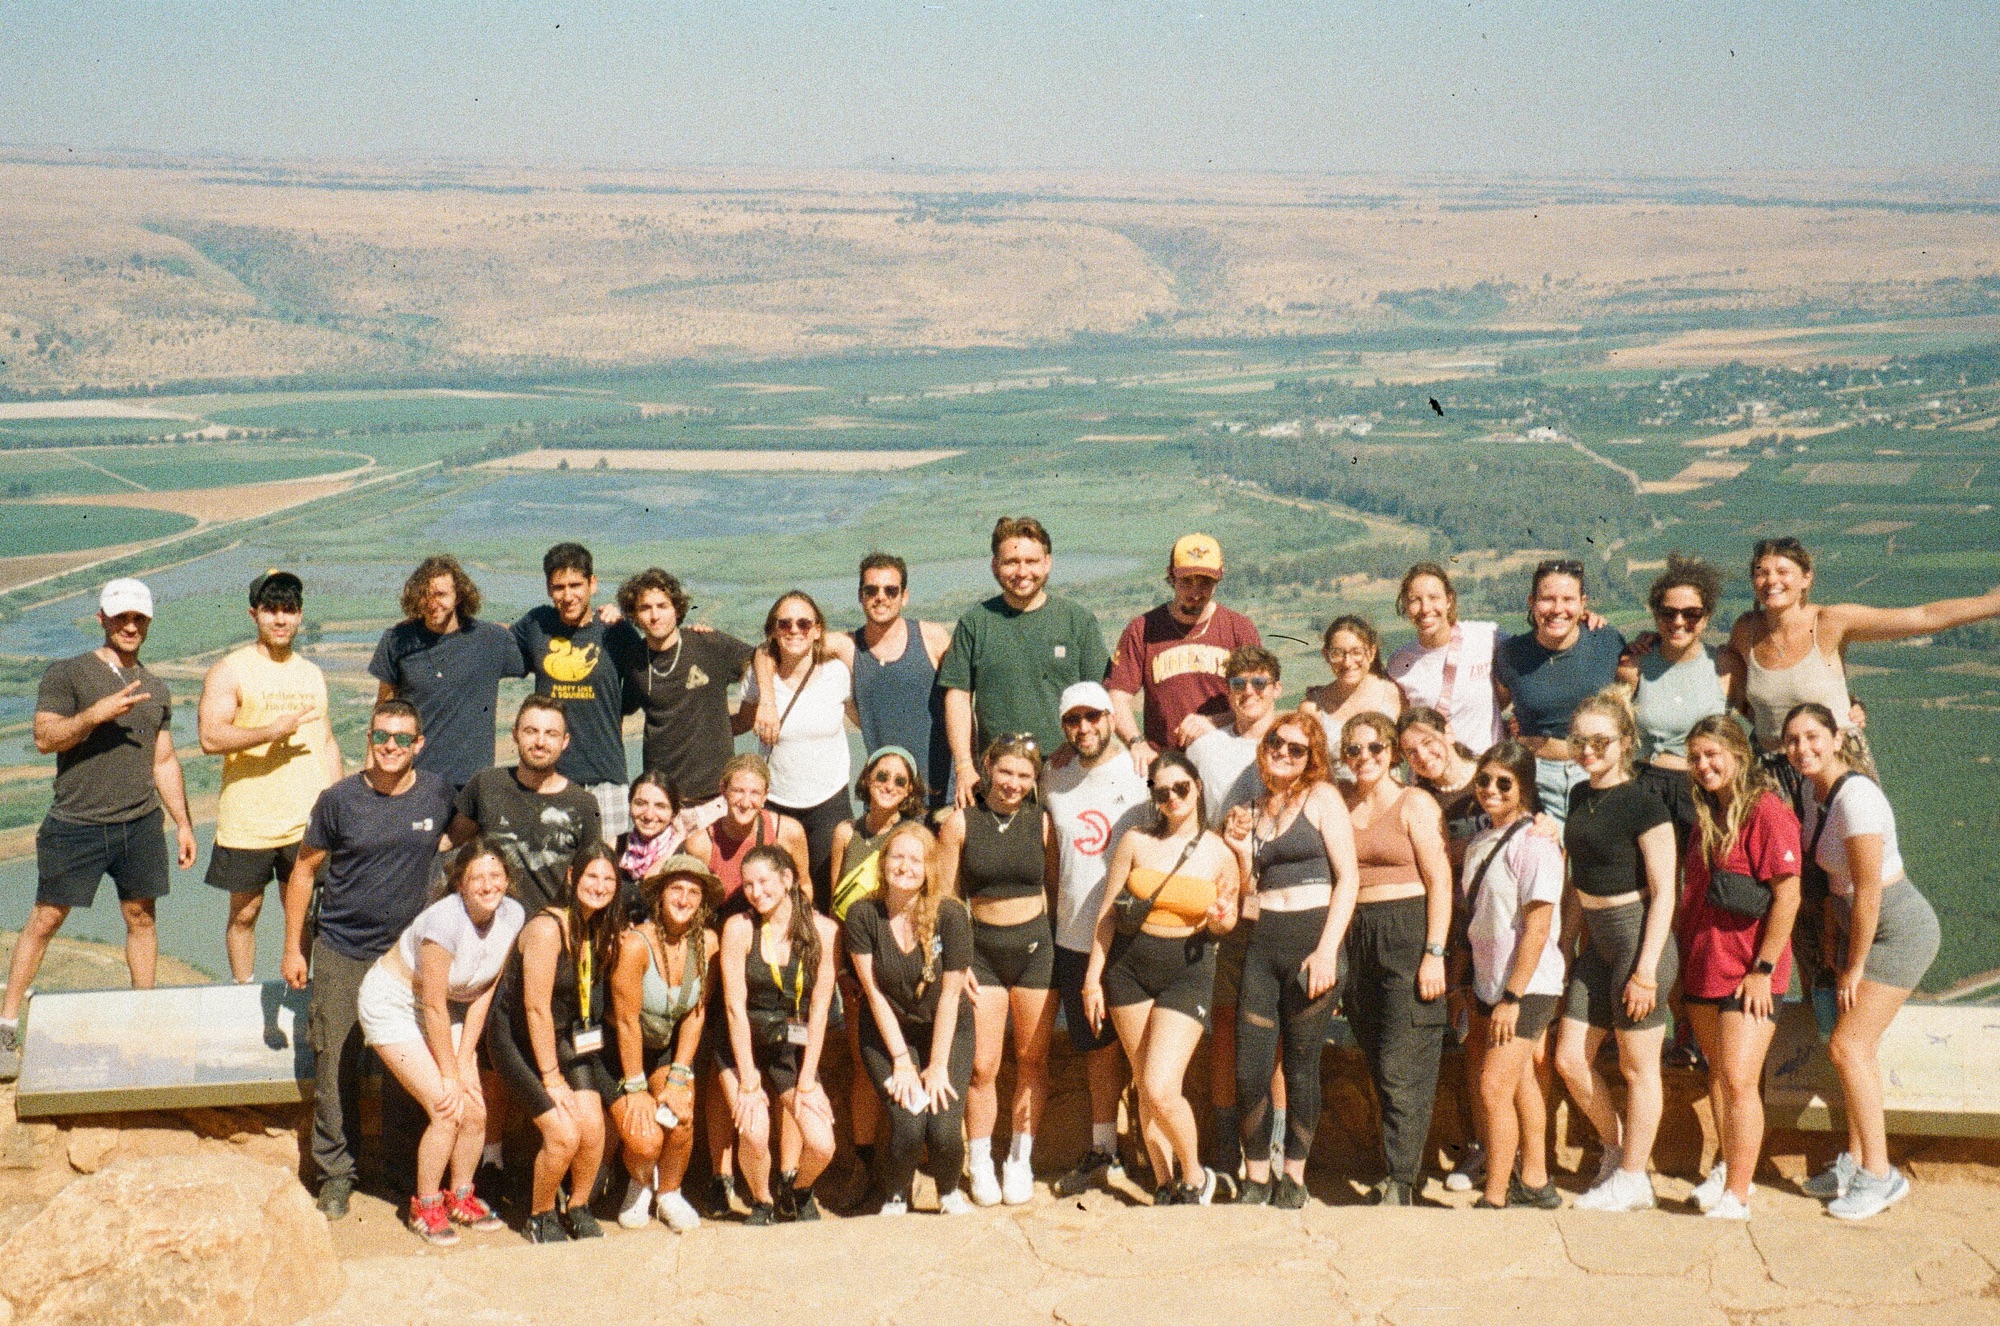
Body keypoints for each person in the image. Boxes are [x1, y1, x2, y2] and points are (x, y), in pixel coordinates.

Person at [4, 577, 197, 1075]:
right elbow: (45, 738)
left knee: (142, 919)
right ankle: (5, 1025)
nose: (130, 626)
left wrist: (183, 823)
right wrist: (95, 713)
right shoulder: (67, 673)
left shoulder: (156, 687)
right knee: (46, 919)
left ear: (148, 623)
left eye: (139, 619)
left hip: (139, 822)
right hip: (77, 822)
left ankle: (143, 1022)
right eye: (121, 618)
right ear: (102, 619)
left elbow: (164, 759)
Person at [281, 699, 456, 1219]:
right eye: (381, 735)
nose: (390, 746)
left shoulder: (437, 793)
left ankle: (404, 1171)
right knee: (334, 1063)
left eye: (402, 738)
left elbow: (464, 841)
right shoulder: (338, 801)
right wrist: (294, 946)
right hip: (342, 949)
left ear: (418, 744)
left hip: (406, 958)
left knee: (407, 1065)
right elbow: (303, 872)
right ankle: (337, 1174)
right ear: (369, 738)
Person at [1786, 702, 1940, 1221]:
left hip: (1899, 932)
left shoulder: (1858, 799)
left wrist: (1853, 967)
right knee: (1854, 1049)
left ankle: (1880, 1175)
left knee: (1848, 1046)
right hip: (1856, 931)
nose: (1802, 748)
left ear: (1836, 738)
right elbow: (1837, 884)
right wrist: (1836, 945)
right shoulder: (1814, 794)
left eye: (1813, 736)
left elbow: (1869, 891)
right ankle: (1855, 1162)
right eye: (1793, 740)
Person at [1082, 751, 1240, 1205]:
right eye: (1162, 791)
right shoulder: (1134, 841)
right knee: (1143, 1083)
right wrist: (1092, 978)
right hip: (1129, 970)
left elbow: (1225, 922)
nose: (1172, 798)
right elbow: (1108, 913)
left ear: (1198, 788)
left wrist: (1221, 921)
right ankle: (1164, 1182)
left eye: (1181, 788)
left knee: (1161, 1085)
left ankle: (1196, 1176)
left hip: (1187, 969)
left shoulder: (1220, 852)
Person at [1219, 710, 1360, 1208]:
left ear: (1311, 757)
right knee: (1250, 1071)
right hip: (1264, 944)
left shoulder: (1323, 798)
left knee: (1300, 1067)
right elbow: (1250, 892)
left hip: (1312, 942)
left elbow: (1348, 879)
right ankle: (1257, 1174)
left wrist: (1327, 951)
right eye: (1277, 743)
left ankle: (1293, 1177)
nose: (1283, 752)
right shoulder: (1253, 808)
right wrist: (1240, 851)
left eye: (1297, 749)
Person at [356, 837, 524, 1244]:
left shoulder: (513, 915)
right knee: (446, 1108)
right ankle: (426, 1205)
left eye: (496, 875)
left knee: (475, 1109)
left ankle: (461, 1195)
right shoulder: (443, 923)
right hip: (395, 1004)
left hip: (446, 1006)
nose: (488, 885)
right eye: (477, 877)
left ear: (507, 880)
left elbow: (484, 990)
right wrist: (450, 1075)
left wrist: (465, 1060)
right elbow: (432, 1005)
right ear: (460, 884)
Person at [1552, 688, 1678, 1213]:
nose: (1588, 751)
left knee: (1637, 1067)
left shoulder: (1645, 803)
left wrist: (1645, 971)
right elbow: (1578, 880)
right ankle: (1618, 1151)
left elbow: (1665, 891)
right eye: (1579, 741)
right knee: (1570, 1058)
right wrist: (1564, 943)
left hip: (1637, 939)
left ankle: (1633, 1178)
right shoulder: (1580, 795)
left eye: (1600, 741)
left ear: (1625, 742)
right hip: (1595, 942)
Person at [1731, 536, 2000, 768]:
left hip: (1835, 765)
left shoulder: (1830, 622)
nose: (1771, 580)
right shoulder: (1746, 631)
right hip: (1770, 770)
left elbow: (1923, 616)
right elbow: (1735, 694)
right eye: (1761, 572)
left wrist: (1992, 604)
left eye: (1782, 571)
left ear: (1806, 577)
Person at [1679, 714, 1802, 1221]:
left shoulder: (1765, 811)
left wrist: (1763, 968)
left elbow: (1788, 895)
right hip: (1705, 964)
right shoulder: (1706, 814)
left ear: (1737, 755)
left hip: (1750, 970)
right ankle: (1729, 1169)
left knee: (1737, 1080)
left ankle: (1738, 1195)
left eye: (1712, 754)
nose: (1703, 765)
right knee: (1719, 1076)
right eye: (1695, 757)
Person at [199, 570, 342, 982]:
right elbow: (210, 736)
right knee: (245, 913)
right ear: (254, 614)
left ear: (300, 615)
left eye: (289, 610)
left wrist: (339, 806)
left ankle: (302, 988)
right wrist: (269, 732)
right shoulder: (230, 670)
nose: (281, 619)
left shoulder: (311, 673)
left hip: (306, 819)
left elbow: (326, 742)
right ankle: (243, 989)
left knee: (305, 912)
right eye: (271, 610)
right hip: (249, 820)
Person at [937, 734, 1061, 1206]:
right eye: (1006, 771)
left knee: (1032, 1060)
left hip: (1035, 952)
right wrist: (957, 959)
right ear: (988, 767)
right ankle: (981, 1160)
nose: (1013, 783)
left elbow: (1054, 888)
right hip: (982, 955)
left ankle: (1020, 1158)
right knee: (982, 1067)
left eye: (1024, 775)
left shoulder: (1042, 822)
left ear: (1035, 780)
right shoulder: (960, 823)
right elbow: (947, 899)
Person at [1337, 712, 1454, 1205]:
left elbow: (1440, 881)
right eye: (1353, 749)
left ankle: (1402, 1181)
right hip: (1356, 935)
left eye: (1375, 748)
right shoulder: (1341, 801)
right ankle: (1395, 1169)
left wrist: (1434, 953)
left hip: (1407, 931)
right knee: (1376, 1054)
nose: (1364, 757)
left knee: (1400, 1063)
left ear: (1390, 753)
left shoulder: (1414, 803)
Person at [1183, 646, 1285, 1193]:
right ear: (1227, 690)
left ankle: (1275, 1150)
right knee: (1224, 1022)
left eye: (1259, 683)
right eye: (1239, 683)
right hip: (1226, 900)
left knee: (1274, 1030)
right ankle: (1226, 1147)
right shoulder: (1205, 747)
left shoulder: (1294, 739)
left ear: (1277, 688)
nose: (1249, 693)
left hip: (1283, 901)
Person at [484, 843, 622, 1243]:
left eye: (608, 879)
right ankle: (540, 1214)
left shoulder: (597, 928)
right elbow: (535, 1009)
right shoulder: (548, 928)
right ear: (572, 877)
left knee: (593, 1127)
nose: (599, 886)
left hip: (565, 1038)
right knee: (564, 1134)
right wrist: (552, 1078)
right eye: (591, 876)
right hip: (519, 1040)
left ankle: (578, 1206)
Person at [1043, 683, 1148, 1198]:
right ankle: (1105, 1149)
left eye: (1093, 717)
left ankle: (1155, 1151)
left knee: (1144, 1049)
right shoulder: (1053, 775)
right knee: (1098, 1050)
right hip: (1074, 936)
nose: (1084, 728)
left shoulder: (1141, 770)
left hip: (1134, 935)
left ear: (1111, 718)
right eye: (1073, 720)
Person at [1453, 740, 1566, 1211]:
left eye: (1505, 782)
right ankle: (1535, 1181)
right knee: (1518, 1084)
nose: (1492, 790)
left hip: (1526, 985)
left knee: (1492, 1087)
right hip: (1489, 981)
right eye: (1484, 780)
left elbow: (1538, 926)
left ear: (1525, 788)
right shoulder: (1480, 840)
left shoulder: (1536, 843)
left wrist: (1513, 997)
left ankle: (1496, 1194)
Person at [845, 822, 977, 1216]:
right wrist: (902, 1061)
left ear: (929, 868)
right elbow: (873, 993)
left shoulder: (951, 914)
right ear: (883, 862)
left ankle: (948, 1191)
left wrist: (937, 1065)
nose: (905, 867)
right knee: (908, 1123)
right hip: (888, 1029)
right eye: (897, 857)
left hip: (944, 1028)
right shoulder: (862, 914)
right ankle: (895, 1195)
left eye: (915, 860)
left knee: (943, 1127)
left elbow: (951, 995)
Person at [755, 554, 955, 810]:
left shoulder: (932, 638)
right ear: (860, 596)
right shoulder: (848, 647)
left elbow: (962, 700)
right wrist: (767, 702)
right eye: (871, 590)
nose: (880, 597)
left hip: (943, 790)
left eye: (890, 590)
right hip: (886, 794)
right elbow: (767, 649)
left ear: (904, 596)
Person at [940, 515, 1110, 806]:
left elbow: (1101, 696)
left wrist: (1076, 748)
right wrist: (964, 766)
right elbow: (957, 696)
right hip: (1000, 780)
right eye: (1011, 562)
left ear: (1047, 562)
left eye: (1031, 561)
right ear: (995, 565)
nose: (1022, 572)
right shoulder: (975, 623)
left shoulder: (1078, 621)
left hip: (1068, 772)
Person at [717, 845, 839, 1225]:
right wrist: (748, 1080)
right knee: (754, 1132)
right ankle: (762, 1201)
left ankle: (797, 1192)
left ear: (787, 879)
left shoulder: (824, 931)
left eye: (764, 881)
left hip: (790, 1046)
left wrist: (807, 1082)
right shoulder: (739, 928)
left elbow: (819, 1009)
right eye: (748, 885)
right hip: (743, 1044)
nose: (756, 893)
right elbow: (734, 1008)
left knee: (821, 1143)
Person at [827, 745, 928, 1204]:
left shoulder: (914, 837)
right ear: (866, 778)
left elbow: (932, 905)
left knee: (915, 1065)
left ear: (910, 792)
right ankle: (866, 1167)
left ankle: (914, 1166)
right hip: (860, 972)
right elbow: (836, 908)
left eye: (900, 780)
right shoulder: (845, 833)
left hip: (908, 973)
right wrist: (842, 971)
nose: (889, 785)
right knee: (865, 1070)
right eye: (881, 775)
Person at [608, 854, 719, 1233]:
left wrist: (678, 1076)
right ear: (659, 895)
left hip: (666, 1050)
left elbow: (695, 1013)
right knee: (645, 1139)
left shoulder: (708, 943)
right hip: (622, 1053)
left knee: (681, 1116)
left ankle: (669, 1193)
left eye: (693, 892)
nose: (684, 899)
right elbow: (626, 1021)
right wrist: (636, 1087)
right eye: (676, 889)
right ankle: (639, 1185)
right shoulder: (636, 945)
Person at [512, 543, 643, 842]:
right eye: (559, 587)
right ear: (548, 589)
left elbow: (636, 692)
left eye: (576, 585)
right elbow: (496, 643)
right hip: (547, 774)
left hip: (605, 776)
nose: (568, 595)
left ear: (592, 584)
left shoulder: (615, 631)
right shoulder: (537, 624)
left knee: (605, 865)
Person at [369, 555, 528, 792]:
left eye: (440, 594)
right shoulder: (397, 640)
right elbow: (383, 708)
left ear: (459, 596)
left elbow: (542, 653)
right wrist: (372, 775)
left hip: (471, 785)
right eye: (425, 595)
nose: (432, 603)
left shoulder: (491, 640)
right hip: (413, 780)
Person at [740, 591, 856, 910]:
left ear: (817, 630)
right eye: (785, 623)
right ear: (774, 630)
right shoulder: (760, 676)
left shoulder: (837, 673)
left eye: (804, 623)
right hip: (777, 801)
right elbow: (742, 721)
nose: (794, 630)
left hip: (829, 800)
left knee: (832, 892)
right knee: (777, 892)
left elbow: (864, 716)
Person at [1105, 533, 1260, 763]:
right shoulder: (1143, 629)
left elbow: (1260, 700)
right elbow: (1117, 696)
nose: (1195, 592)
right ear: (1171, 576)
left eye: (1205, 582)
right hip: (1167, 763)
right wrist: (1136, 742)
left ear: (1219, 578)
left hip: (1228, 757)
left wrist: (1213, 722)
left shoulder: (1239, 629)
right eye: (1186, 581)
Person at [1494, 559, 1626, 824]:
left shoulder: (1607, 642)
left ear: (1583, 603)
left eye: (1568, 599)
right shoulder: (1512, 654)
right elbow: (1496, 707)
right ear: (1532, 602)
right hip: (1535, 779)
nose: (1557, 609)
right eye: (1547, 599)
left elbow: (1630, 695)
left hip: (1597, 773)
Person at [616, 567, 757, 808]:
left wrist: (751, 714)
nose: (654, 615)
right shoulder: (635, 660)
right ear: (635, 615)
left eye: (662, 606)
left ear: (677, 609)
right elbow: (618, 711)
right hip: (662, 797)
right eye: (645, 608)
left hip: (715, 794)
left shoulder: (707, 645)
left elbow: (763, 659)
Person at [447, 697, 601, 912]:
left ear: (565, 741)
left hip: (549, 926)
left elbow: (591, 876)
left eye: (551, 734)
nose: (540, 742)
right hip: (491, 922)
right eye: (531, 731)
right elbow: (449, 844)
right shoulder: (486, 784)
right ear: (515, 734)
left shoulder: (584, 804)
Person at [1620, 555, 1731, 849]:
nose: (1678, 622)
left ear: (1706, 617)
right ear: (1656, 615)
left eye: (1691, 613)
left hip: (1706, 786)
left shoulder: (1724, 665)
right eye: (1668, 613)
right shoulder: (1634, 666)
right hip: (1647, 787)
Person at [1388, 563, 1505, 754]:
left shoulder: (1487, 637)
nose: (1425, 608)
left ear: (1449, 600)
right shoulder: (1399, 663)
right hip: (1431, 769)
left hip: (1485, 766)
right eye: (1415, 600)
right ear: (1405, 606)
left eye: (1434, 598)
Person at [684, 753, 811, 911]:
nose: (745, 803)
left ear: (765, 795)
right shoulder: (701, 844)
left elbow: (804, 887)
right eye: (738, 791)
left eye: (754, 793)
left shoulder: (788, 832)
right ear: (723, 790)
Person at [1301, 615, 1404, 735]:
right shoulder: (1312, 709)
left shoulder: (1392, 695)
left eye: (1357, 652)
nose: (1347, 662)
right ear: (1326, 655)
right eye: (1337, 653)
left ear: (1372, 653)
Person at [617, 770, 688, 889]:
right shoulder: (617, 846)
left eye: (660, 806)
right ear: (630, 806)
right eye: (640, 803)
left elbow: (650, 881)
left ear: (674, 813)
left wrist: (673, 846)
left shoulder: (685, 852)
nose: (649, 815)